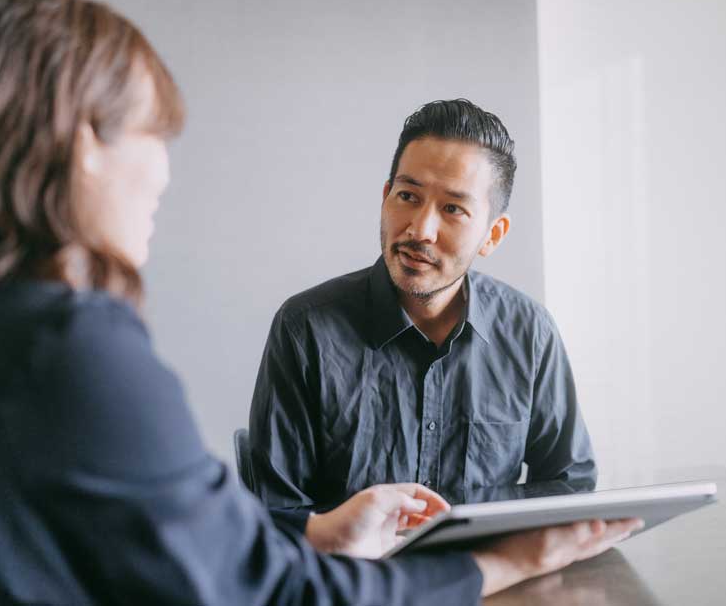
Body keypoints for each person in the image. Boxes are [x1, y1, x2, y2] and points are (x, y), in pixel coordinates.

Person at [0, 0, 639, 605]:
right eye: (156, 135)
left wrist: (320, 534)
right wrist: (498, 565)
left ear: (491, 232)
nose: (165, 173)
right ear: (83, 145)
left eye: (453, 209)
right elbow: (262, 587)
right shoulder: (62, 348)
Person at [249, 99, 596, 510]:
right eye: (408, 196)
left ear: (493, 234)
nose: (420, 230)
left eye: (453, 209)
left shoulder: (529, 331)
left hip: (488, 570)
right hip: (354, 572)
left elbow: (568, 485)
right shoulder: (305, 327)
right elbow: (275, 512)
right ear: (385, 196)